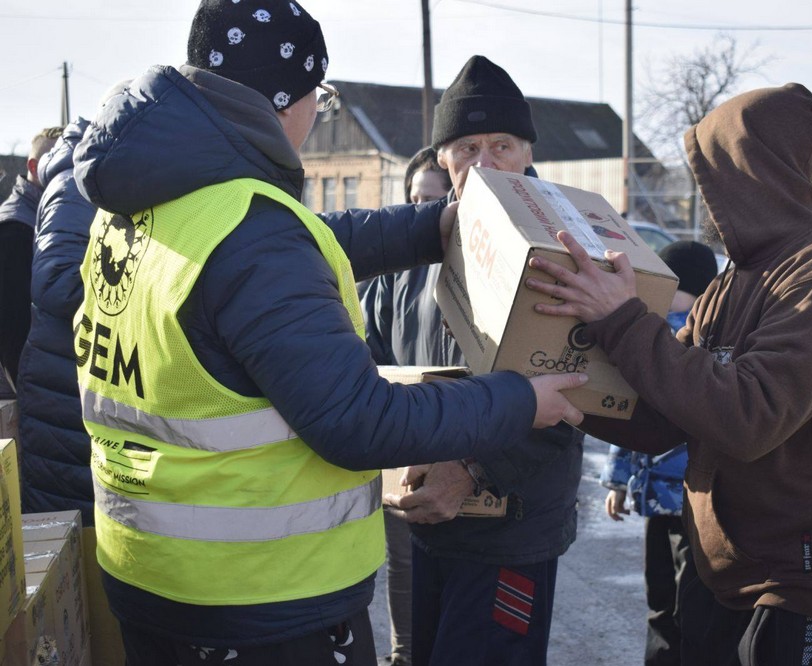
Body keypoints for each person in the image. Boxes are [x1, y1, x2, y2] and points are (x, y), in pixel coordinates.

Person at [70, 3, 585, 664]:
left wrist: (428, 227)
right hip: (258, 598)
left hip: (150, 571)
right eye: (322, 95)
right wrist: (520, 401)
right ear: (286, 102)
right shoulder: (252, 231)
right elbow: (357, 419)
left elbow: (298, 246)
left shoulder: (146, 198)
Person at [526, 83, 812, 665]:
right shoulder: (735, 279)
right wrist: (557, 392)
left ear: (754, 173)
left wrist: (623, 319)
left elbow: (748, 417)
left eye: (712, 176)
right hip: (728, 579)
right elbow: (663, 413)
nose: (706, 198)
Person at [364, 55, 583, 666]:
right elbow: (373, 363)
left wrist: (471, 470)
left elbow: (579, 391)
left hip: (510, 531)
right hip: (425, 523)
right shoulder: (411, 255)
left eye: (501, 146)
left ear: (528, 152)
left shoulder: (566, 253)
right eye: (466, 148)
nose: (484, 164)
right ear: (443, 159)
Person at [599, 240, 718, 666]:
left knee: (683, 603)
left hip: (691, 501)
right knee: (664, 598)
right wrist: (618, 481)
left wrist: (618, 480)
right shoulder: (653, 329)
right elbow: (627, 410)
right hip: (661, 499)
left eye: (675, 289)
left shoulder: (700, 338)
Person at [376, 146, 451, 666]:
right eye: (413, 200)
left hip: (466, 446)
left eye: (432, 201)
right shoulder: (393, 268)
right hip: (404, 443)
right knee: (403, 566)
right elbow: (371, 346)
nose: (420, 212)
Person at [16, 118, 99, 521]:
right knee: (68, 524)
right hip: (63, 382)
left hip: (73, 378)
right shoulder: (73, 186)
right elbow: (56, 283)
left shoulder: (90, 181)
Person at [0, 126, 62, 394]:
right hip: (19, 391)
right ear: (34, 167)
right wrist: (29, 394)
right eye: (56, 163)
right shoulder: (15, 229)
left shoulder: (43, 219)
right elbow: (12, 330)